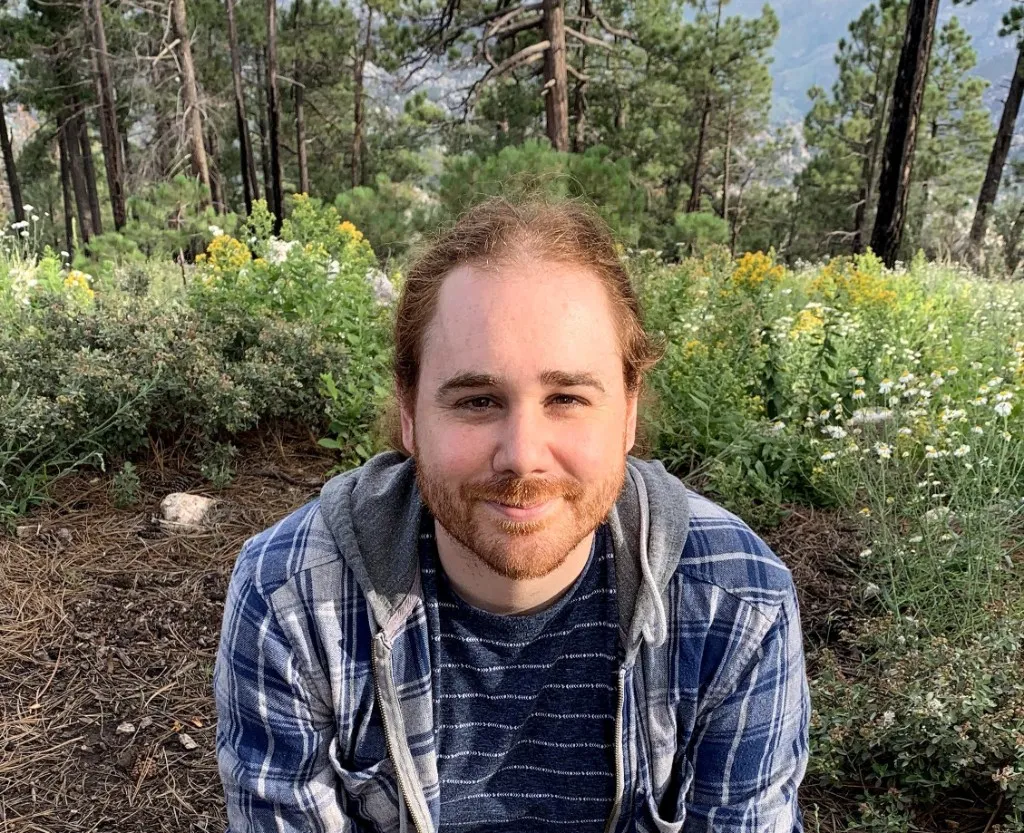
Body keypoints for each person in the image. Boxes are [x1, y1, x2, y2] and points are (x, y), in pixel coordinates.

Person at [213, 198, 810, 833]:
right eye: (477, 400)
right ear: (411, 415)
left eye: (567, 397)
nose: (522, 456)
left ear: (629, 412)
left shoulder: (737, 607)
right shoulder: (293, 602)